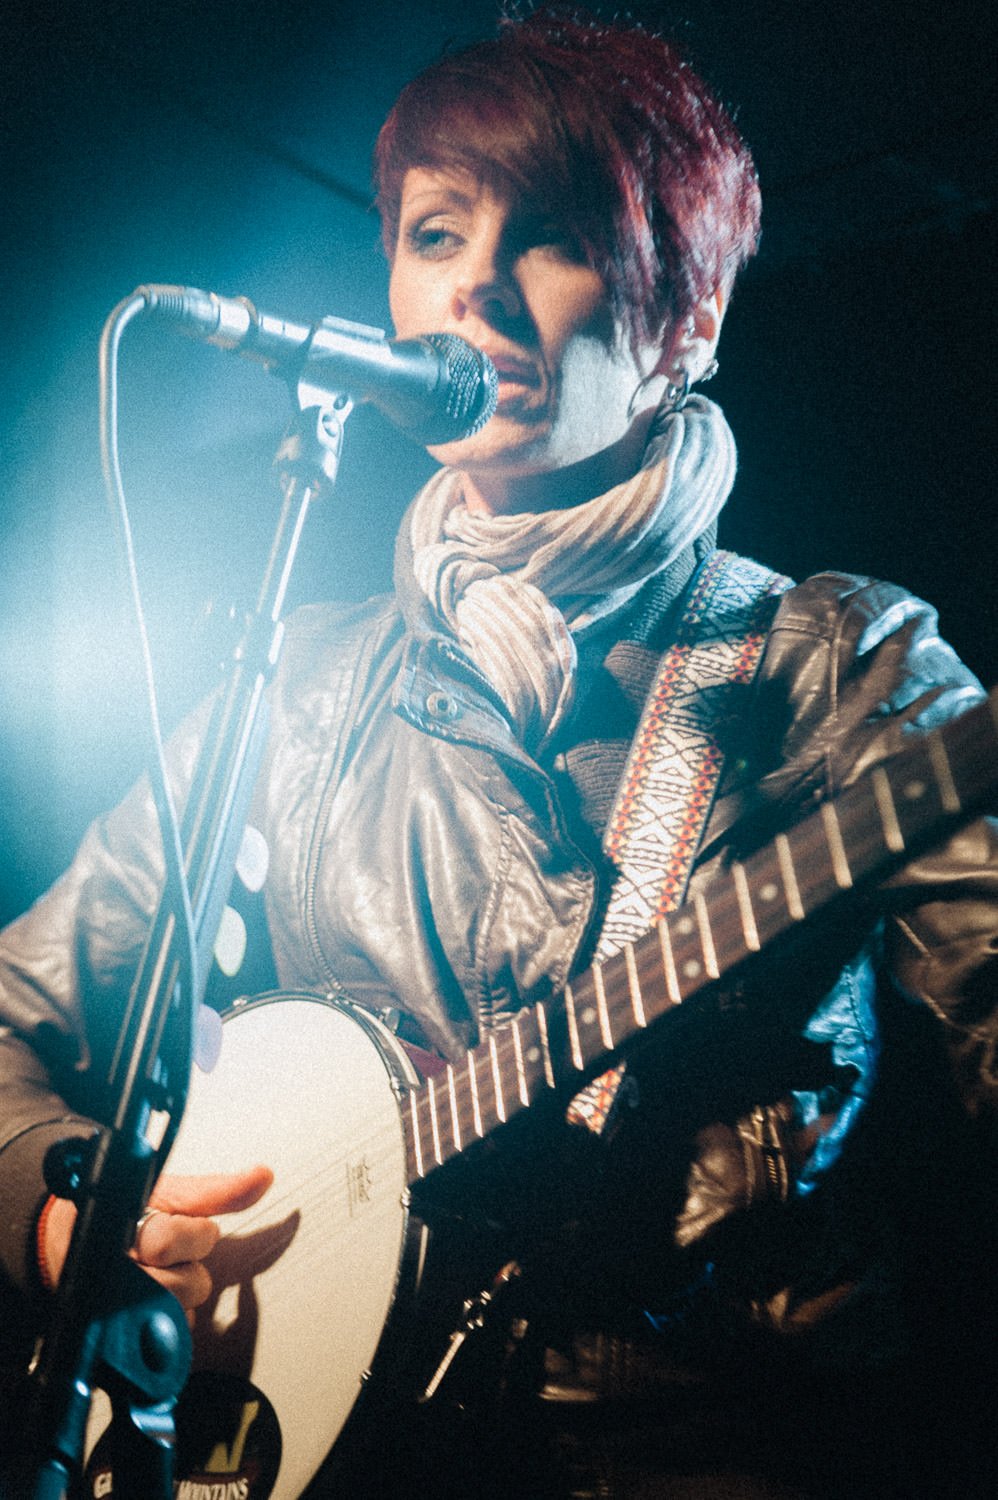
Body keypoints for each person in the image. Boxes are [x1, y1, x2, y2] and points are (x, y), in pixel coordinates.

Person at [2, 6, 996, 1496]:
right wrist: (53, 1217)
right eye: (433, 234)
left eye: (548, 238)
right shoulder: (299, 685)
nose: (471, 289)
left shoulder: (837, 669)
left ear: (683, 329)